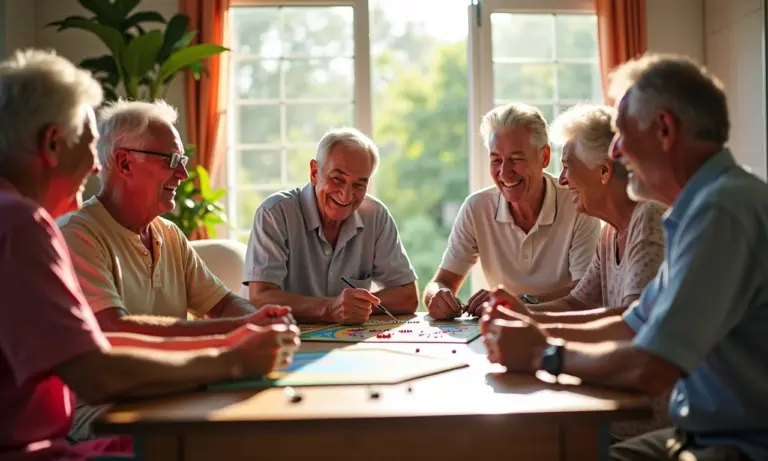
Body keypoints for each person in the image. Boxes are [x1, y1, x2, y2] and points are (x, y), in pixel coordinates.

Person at [0, 48, 299, 461]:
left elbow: (97, 346)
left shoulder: (14, 218)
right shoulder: (22, 224)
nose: (93, 168)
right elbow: (96, 371)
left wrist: (240, 332)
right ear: (53, 143)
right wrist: (232, 359)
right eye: (88, 146)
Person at [482, 53, 768, 461]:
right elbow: (633, 323)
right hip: (699, 435)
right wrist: (530, 324)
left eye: (623, 129)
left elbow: (652, 366)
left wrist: (540, 353)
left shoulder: (721, 209)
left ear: (664, 129)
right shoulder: (703, 206)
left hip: (741, 446)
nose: (616, 150)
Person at [525, 103, 669, 440]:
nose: (561, 180)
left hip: (643, 421)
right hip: (609, 406)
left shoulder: (647, 219)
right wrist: (520, 311)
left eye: (567, 168)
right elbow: (578, 302)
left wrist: (533, 330)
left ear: (603, 172)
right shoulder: (610, 231)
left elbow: (632, 321)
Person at [423, 102, 601, 319]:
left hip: (564, 327)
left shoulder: (577, 205)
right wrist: (438, 296)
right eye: (496, 160)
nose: (505, 173)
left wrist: (519, 302)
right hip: (503, 332)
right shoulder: (476, 207)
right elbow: (441, 282)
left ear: (544, 157)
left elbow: (585, 293)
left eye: (516, 160)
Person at [243, 127, 419, 325]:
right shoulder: (275, 212)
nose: (346, 195)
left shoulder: (376, 216)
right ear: (314, 172)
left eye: (359, 185)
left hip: (344, 344)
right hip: (277, 340)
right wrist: (329, 308)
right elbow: (260, 297)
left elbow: (408, 296)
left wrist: (357, 307)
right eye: (337, 179)